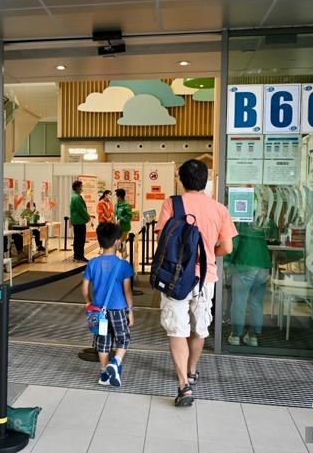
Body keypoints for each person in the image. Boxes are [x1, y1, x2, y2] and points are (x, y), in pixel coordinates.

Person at [155, 159, 237, 407]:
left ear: (181, 179)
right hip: (205, 278)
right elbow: (227, 248)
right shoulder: (219, 209)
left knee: (177, 329)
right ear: (206, 180)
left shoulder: (171, 204)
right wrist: (208, 256)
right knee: (199, 327)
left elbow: (162, 240)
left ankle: (184, 385)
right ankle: (191, 371)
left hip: (176, 277)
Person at [82, 222, 135, 387]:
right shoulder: (123, 265)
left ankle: (104, 373)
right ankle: (116, 361)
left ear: (99, 240)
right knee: (123, 337)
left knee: (103, 341)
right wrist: (130, 311)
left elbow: (84, 288)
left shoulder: (92, 263)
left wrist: (88, 302)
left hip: (99, 310)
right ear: (117, 242)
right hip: (118, 309)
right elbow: (127, 291)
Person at [225, 222, 271, 347]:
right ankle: (253, 336)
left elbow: (231, 246)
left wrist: (225, 262)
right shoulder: (259, 225)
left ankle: (236, 335)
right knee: (257, 303)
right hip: (263, 265)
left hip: (245, 264)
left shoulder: (238, 223)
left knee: (239, 302)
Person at [70, 180, 91, 262]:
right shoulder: (76, 197)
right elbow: (81, 209)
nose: (82, 188)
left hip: (77, 221)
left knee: (77, 239)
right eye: (81, 186)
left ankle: (77, 256)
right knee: (80, 240)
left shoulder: (74, 196)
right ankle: (79, 256)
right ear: (77, 187)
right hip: (79, 221)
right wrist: (87, 217)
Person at [114, 188, 133, 258]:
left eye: (116, 196)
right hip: (117, 227)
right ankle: (124, 256)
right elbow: (116, 214)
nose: (116, 197)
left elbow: (129, 216)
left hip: (124, 227)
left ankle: (120, 256)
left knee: (119, 242)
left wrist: (121, 219)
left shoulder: (126, 205)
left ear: (119, 196)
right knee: (122, 242)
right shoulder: (116, 205)